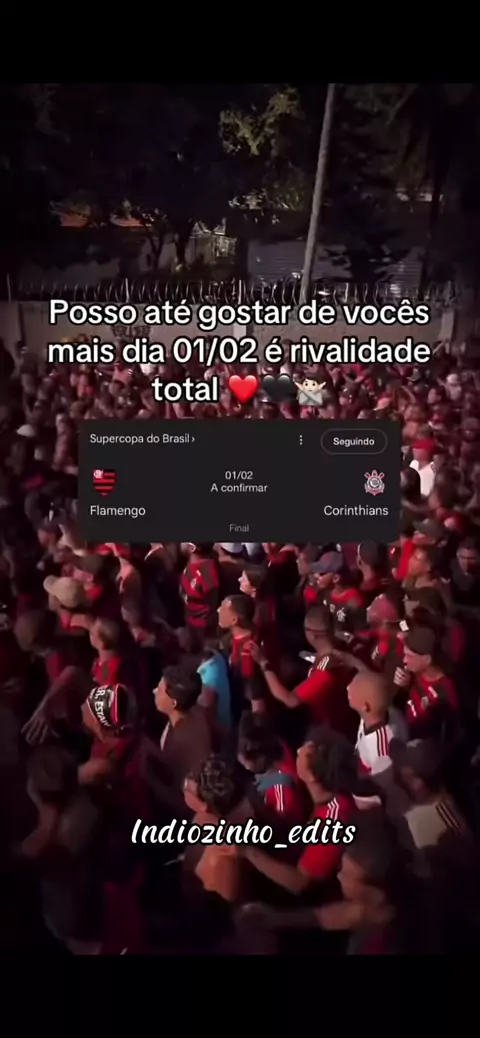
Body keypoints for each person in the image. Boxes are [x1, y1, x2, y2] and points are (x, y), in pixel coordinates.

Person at [240, 727, 357, 895]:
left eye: (304, 752)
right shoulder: (324, 793)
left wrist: (246, 850)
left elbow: (299, 881)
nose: (297, 751)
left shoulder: (332, 822)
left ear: (311, 776)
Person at [253, 606, 357, 739]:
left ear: (313, 634)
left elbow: (290, 700)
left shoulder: (327, 668)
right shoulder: (341, 647)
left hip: (331, 730)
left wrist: (264, 664)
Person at [141, 661, 217, 810]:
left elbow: (177, 796)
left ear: (173, 702)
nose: (154, 691)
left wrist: (149, 778)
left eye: (160, 689)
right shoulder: (197, 711)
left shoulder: (178, 745)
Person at [237, 712, 306, 825]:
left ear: (261, 758)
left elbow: (285, 824)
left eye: (246, 755)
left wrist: (257, 804)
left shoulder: (281, 785)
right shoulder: (274, 743)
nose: (241, 758)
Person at [347, 672, 408, 777]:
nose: (348, 687)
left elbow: (381, 782)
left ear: (365, 706)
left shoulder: (381, 753)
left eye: (353, 689)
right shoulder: (375, 713)